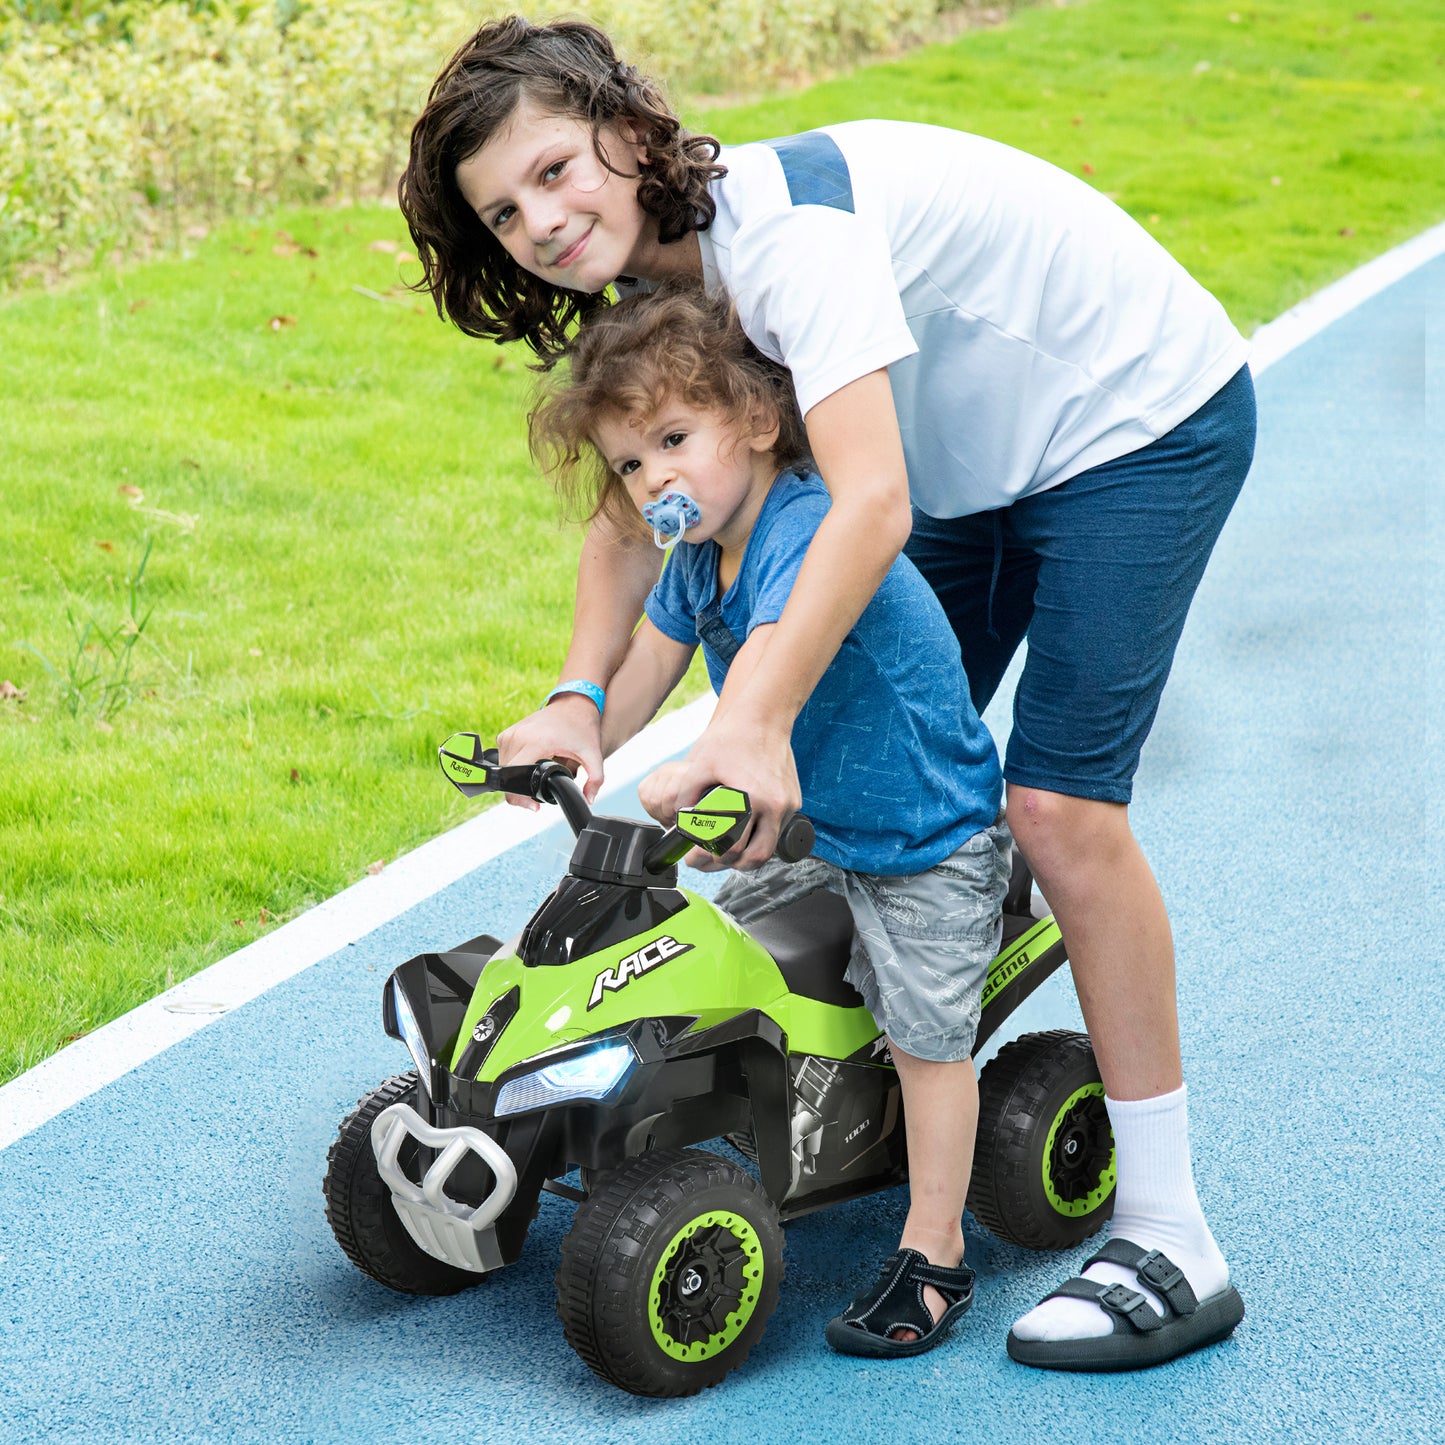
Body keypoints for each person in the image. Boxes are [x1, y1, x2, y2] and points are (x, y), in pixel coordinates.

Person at [399, 15, 1255, 1371]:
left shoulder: (787, 241)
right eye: (504, 212)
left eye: (555, 170)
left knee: (1052, 808)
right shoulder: (647, 292)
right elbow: (641, 519)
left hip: (1127, 421)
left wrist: (750, 717)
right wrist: (576, 698)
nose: (540, 222)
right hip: (971, 460)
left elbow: (868, 501)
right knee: (872, 750)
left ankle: (1169, 1234)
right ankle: (854, 1079)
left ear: (629, 131)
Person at [529, 282, 1010, 1357]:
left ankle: (934, 1250)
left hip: (921, 837)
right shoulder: (697, 550)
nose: (653, 477)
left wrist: (707, 761)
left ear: (752, 420)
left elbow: (759, 669)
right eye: (628, 462)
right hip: (813, 832)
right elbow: (648, 660)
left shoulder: (799, 523)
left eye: (671, 438)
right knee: (727, 957)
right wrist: (581, 723)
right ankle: (787, 1125)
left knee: (927, 1033)